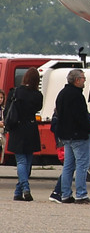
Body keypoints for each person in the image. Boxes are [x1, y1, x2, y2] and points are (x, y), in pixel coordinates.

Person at [50, 68, 90, 204]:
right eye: (83, 78)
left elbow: (59, 114)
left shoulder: (62, 94)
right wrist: (88, 127)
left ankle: (65, 194)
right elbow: (80, 116)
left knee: (68, 165)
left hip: (65, 135)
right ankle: (81, 194)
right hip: (78, 135)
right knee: (82, 164)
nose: (84, 80)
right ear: (76, 80)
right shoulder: (77, 96)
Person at [6, 67, 43, 201]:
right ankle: (22, 189)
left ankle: (21, 189)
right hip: (31, 127)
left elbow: (8, 110)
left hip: (17, 128)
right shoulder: (37, 95)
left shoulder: (15, 92)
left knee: (21, 161)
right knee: (27, 161)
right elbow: (38, 108)